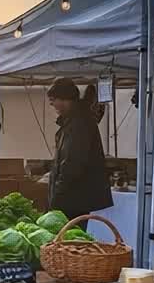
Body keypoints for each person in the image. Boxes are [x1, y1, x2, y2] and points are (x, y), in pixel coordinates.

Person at [47, 78, 111, 226]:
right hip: (74, 197)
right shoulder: (73, 121)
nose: (51, 104)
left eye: (53, 99)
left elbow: (72, 162)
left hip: (74, 199)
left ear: (65, 99)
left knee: (71, 241)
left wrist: (58, 192)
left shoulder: (78, 124)